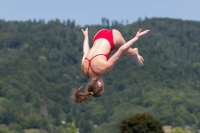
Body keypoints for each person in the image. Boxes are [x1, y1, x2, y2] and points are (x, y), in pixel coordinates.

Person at [73, 28, 150, 103]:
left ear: (100, 85)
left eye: (103, 86)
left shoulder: (104, 68)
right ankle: (134, 52)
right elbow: (85, 52)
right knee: (127, 51)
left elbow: (121, 50)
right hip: (98, 35)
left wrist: (136, 37)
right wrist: (86, 36)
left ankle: (136, 57)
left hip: (113, 36)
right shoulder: (84, 71)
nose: (104, 84)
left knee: (127, 53)